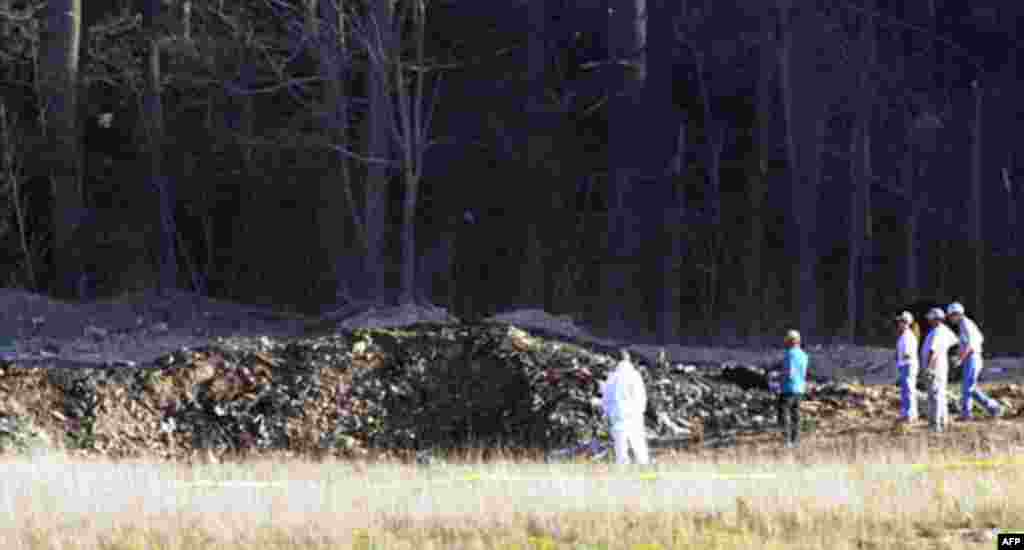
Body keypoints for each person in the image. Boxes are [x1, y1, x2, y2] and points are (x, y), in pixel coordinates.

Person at [946, 302, 1004, 419]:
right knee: (970, 388)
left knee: (968, 388)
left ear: (957, 314)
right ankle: (994, 407)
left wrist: (960, 359)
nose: (950, 318)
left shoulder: (966, 325)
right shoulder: (963, 325)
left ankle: (967, 414)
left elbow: (970, 346)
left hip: (972, 358)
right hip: (970, 358)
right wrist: (960, 355)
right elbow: (971, 341)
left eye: (951, 315)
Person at [601, 350, 649, 465]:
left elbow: (606, 398)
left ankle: (622, 471)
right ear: (628, 360)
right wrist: (640, 411)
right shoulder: (634, 375)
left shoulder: (611, 377)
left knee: (620, 447)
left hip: (616, 414)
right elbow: (640, 396)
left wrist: (608, 413)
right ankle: (644, 467)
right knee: (638, 445)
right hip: (633, 414)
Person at [921, 308, 958, 433]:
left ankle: (935, 424)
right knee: (940, 395)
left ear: (935, 319)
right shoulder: (945, 331)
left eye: (930, 319)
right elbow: (953, 343)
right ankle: (942, 421)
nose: (929, 321)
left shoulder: (937, 332)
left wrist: (930, 368)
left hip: (935, 367)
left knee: (934, 396)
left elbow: (934, 351)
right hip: (941, 367)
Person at [777, 329, 808, 448]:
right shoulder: (804, 355)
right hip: (800, 388)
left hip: (788, 388)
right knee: (796, 415)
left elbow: (789, 373)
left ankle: (786, 440)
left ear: (790, 341)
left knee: (783, 413)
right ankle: (795, 441)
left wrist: (778, 379)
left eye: (787, 341)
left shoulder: (790, 354)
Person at [894, 311, 920, 423]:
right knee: (905, 390)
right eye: (899, 321)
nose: (899, 323)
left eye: (901, 321)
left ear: (906, 322)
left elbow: (908, 353)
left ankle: (910, 415)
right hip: (904, 365)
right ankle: (906, 413)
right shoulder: (903, 335)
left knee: (909, 390)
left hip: (908, 365)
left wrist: (902, 356)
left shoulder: (908, 336)